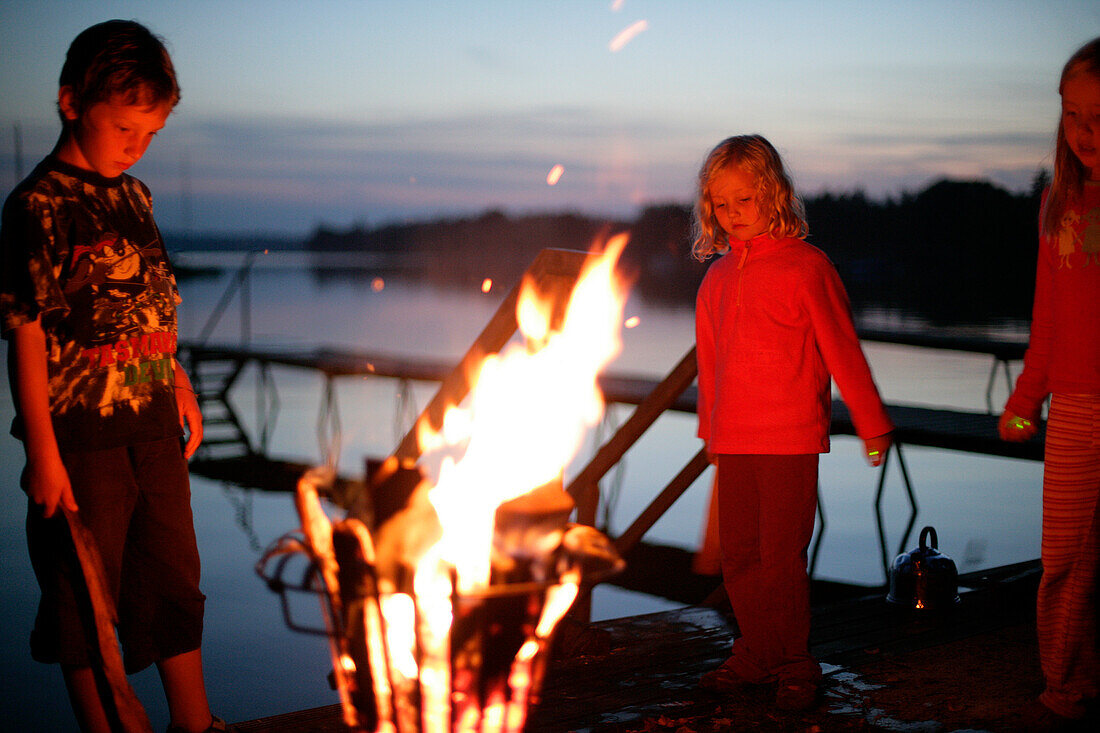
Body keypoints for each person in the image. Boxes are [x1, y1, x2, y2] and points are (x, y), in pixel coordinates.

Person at [0, 20, 228, 733]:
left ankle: (195, 721)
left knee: (172, 577)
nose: (136, 146)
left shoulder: (136, 198)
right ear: (72, 101)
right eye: (126, 127)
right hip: (81, 438)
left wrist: (180, 380)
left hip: (154, 421)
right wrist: (41, 450)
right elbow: (26, 331)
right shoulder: (36, 207)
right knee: (84, 595)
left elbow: (152, 302)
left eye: (150, 133)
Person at [692, 134, 893, 712]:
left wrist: (872, 423)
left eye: (743, 201)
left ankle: (794, 661)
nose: (732, 215)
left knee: (781, 558)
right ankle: (755, 651)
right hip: (736, 441)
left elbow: (842, 348)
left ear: (772, 194)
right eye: (721, 205)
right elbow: (711, 364)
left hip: (789, 439)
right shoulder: (716, 279)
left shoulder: (807, 268)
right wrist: (711, 434)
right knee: (739, 557)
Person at [999, 36, 1100, 730]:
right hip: (1075, 407)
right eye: (1072, 115)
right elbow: (1047, 322)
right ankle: (1064, 684)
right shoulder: (1058, 205)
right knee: (1063, 557)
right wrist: (1024, 397)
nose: (1085, 132)